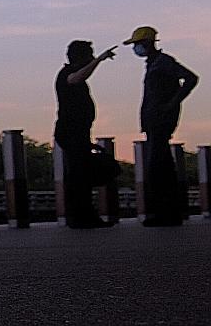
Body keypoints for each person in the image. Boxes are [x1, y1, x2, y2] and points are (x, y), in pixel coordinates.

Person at [123, 26, 198, 226]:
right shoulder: (153, 63)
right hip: (153, 121)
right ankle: (167, 213)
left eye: (138, 44)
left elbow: (191, 78)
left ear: (147, 43)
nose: (136, 49)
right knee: (161, 165)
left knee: (158, 167)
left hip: (161, 121)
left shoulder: (164, 62)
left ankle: (166, 214)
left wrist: (172, 104)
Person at [54, 39, 114, 228]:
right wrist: (99, 61)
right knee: (79, 174)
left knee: (82, 173)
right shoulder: (66, 74)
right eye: (89, 55)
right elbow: (77, 78)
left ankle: (85, 215)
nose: (92, 58)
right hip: (71, 132)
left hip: (78, 133)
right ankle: (81, 216)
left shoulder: (72, 74)